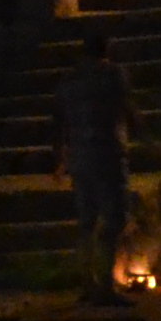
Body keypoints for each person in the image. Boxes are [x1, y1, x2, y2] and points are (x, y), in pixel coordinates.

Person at [50, 26, 138, 293]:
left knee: (87, 220)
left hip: (80, 156)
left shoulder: (69, 79)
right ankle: (105, 284)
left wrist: (60, 157)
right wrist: (144, 135)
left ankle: (88, 283)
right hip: (108, 152)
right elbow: (127, 108)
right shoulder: (112, 74)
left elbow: (58, 120)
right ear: (106, 49)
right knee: (115, 217)